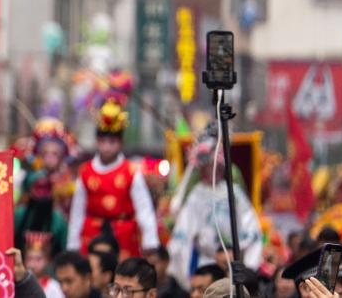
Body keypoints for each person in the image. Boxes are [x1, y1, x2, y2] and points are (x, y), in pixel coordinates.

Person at [168, 126, 262, 288]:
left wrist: (246, 264)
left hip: (233, 262)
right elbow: (182, 235)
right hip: (205, 265)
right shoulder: (196, 195)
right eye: (207, 166)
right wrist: (185, 276)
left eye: (216, 166)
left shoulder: (233, 192)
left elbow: (251, 229)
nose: (211, 171)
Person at [68, 100, 159, 259]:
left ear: (120, 143)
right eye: (103, 142)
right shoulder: (85, 172)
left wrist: (150, 239)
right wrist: (73, 243)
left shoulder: (131, 172)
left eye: (112, 142)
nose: (107, 147)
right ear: (97, 142)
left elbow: (144, 208)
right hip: (92, 235)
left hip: (123, 236)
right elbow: (77, 211)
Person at [17, 118, 75, 253]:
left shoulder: (69, 182)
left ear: (62, 155)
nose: (50, 157)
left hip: (59, 231)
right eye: (46, 153)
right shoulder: (32, 179)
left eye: (55, 153)